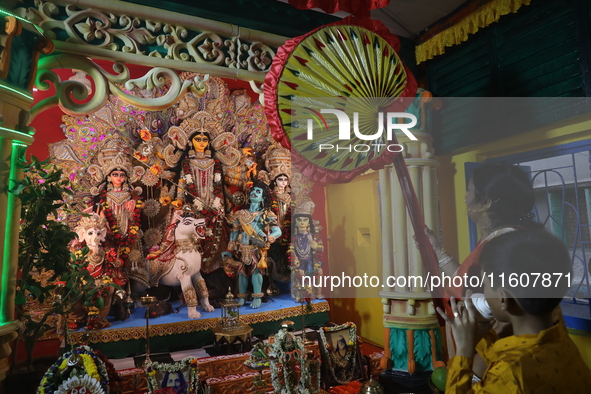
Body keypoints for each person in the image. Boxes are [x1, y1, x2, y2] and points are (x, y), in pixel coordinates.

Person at [438, 228, 591, 393]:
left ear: (503, 299)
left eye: (486, 284)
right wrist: (487, 332)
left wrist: (464, 349)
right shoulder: (554, 323)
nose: (483, 292)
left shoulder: (508, 375)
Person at [427, 162, 536, 298]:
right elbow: (468, 284)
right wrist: (437, 250)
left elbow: (498, 304)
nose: (465, 198)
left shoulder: (505, 246)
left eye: (469, 191)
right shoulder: (496, 238)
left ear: (485, 203)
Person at [223, 181, 282, 308]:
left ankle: (257, 297)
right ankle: (242, 297)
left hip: (256, 248)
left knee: (256, 273)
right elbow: (235, 232)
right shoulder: (240, 214)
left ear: (263, 197)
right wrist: (230, 249)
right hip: (242, 248)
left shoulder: (266, 214)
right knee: (241, 273)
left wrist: (269, 237)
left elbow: (277, 231)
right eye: (253, 190)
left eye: (258, 191)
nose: (254, 193)